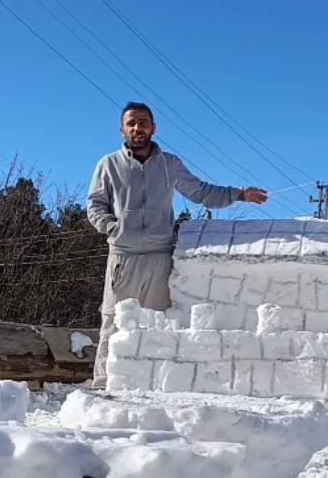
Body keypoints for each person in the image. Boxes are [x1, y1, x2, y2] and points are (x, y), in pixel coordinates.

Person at [86, 102, 268, 388]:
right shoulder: (108, 165)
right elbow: (95, 206)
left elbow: (201, 192)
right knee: (114, 321)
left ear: (154, 128)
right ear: (122, 130)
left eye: (143, 122)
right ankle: (103, 386)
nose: (137, 128)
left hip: (160, 256)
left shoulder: (169, 164)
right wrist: (114, 228)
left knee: (158, 323)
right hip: (124, 257)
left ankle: (152, 386)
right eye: (131, 123)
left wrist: (239, 194)